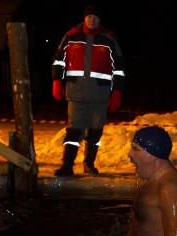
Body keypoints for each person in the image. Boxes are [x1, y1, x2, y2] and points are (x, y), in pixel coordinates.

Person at [51, 4, 125, 176]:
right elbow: (58, 60)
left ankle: (89, 164)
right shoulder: (71, 36)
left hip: (100, 95)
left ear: (100, 21)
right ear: (84, 18)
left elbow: (119, 68)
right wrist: (56, 81)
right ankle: (67, 166)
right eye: (89, 16)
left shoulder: (110, 40)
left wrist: (117, 92)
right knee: (74, 130)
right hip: (76, 93)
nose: (92, 20)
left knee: (95, 131)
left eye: (96, 17)